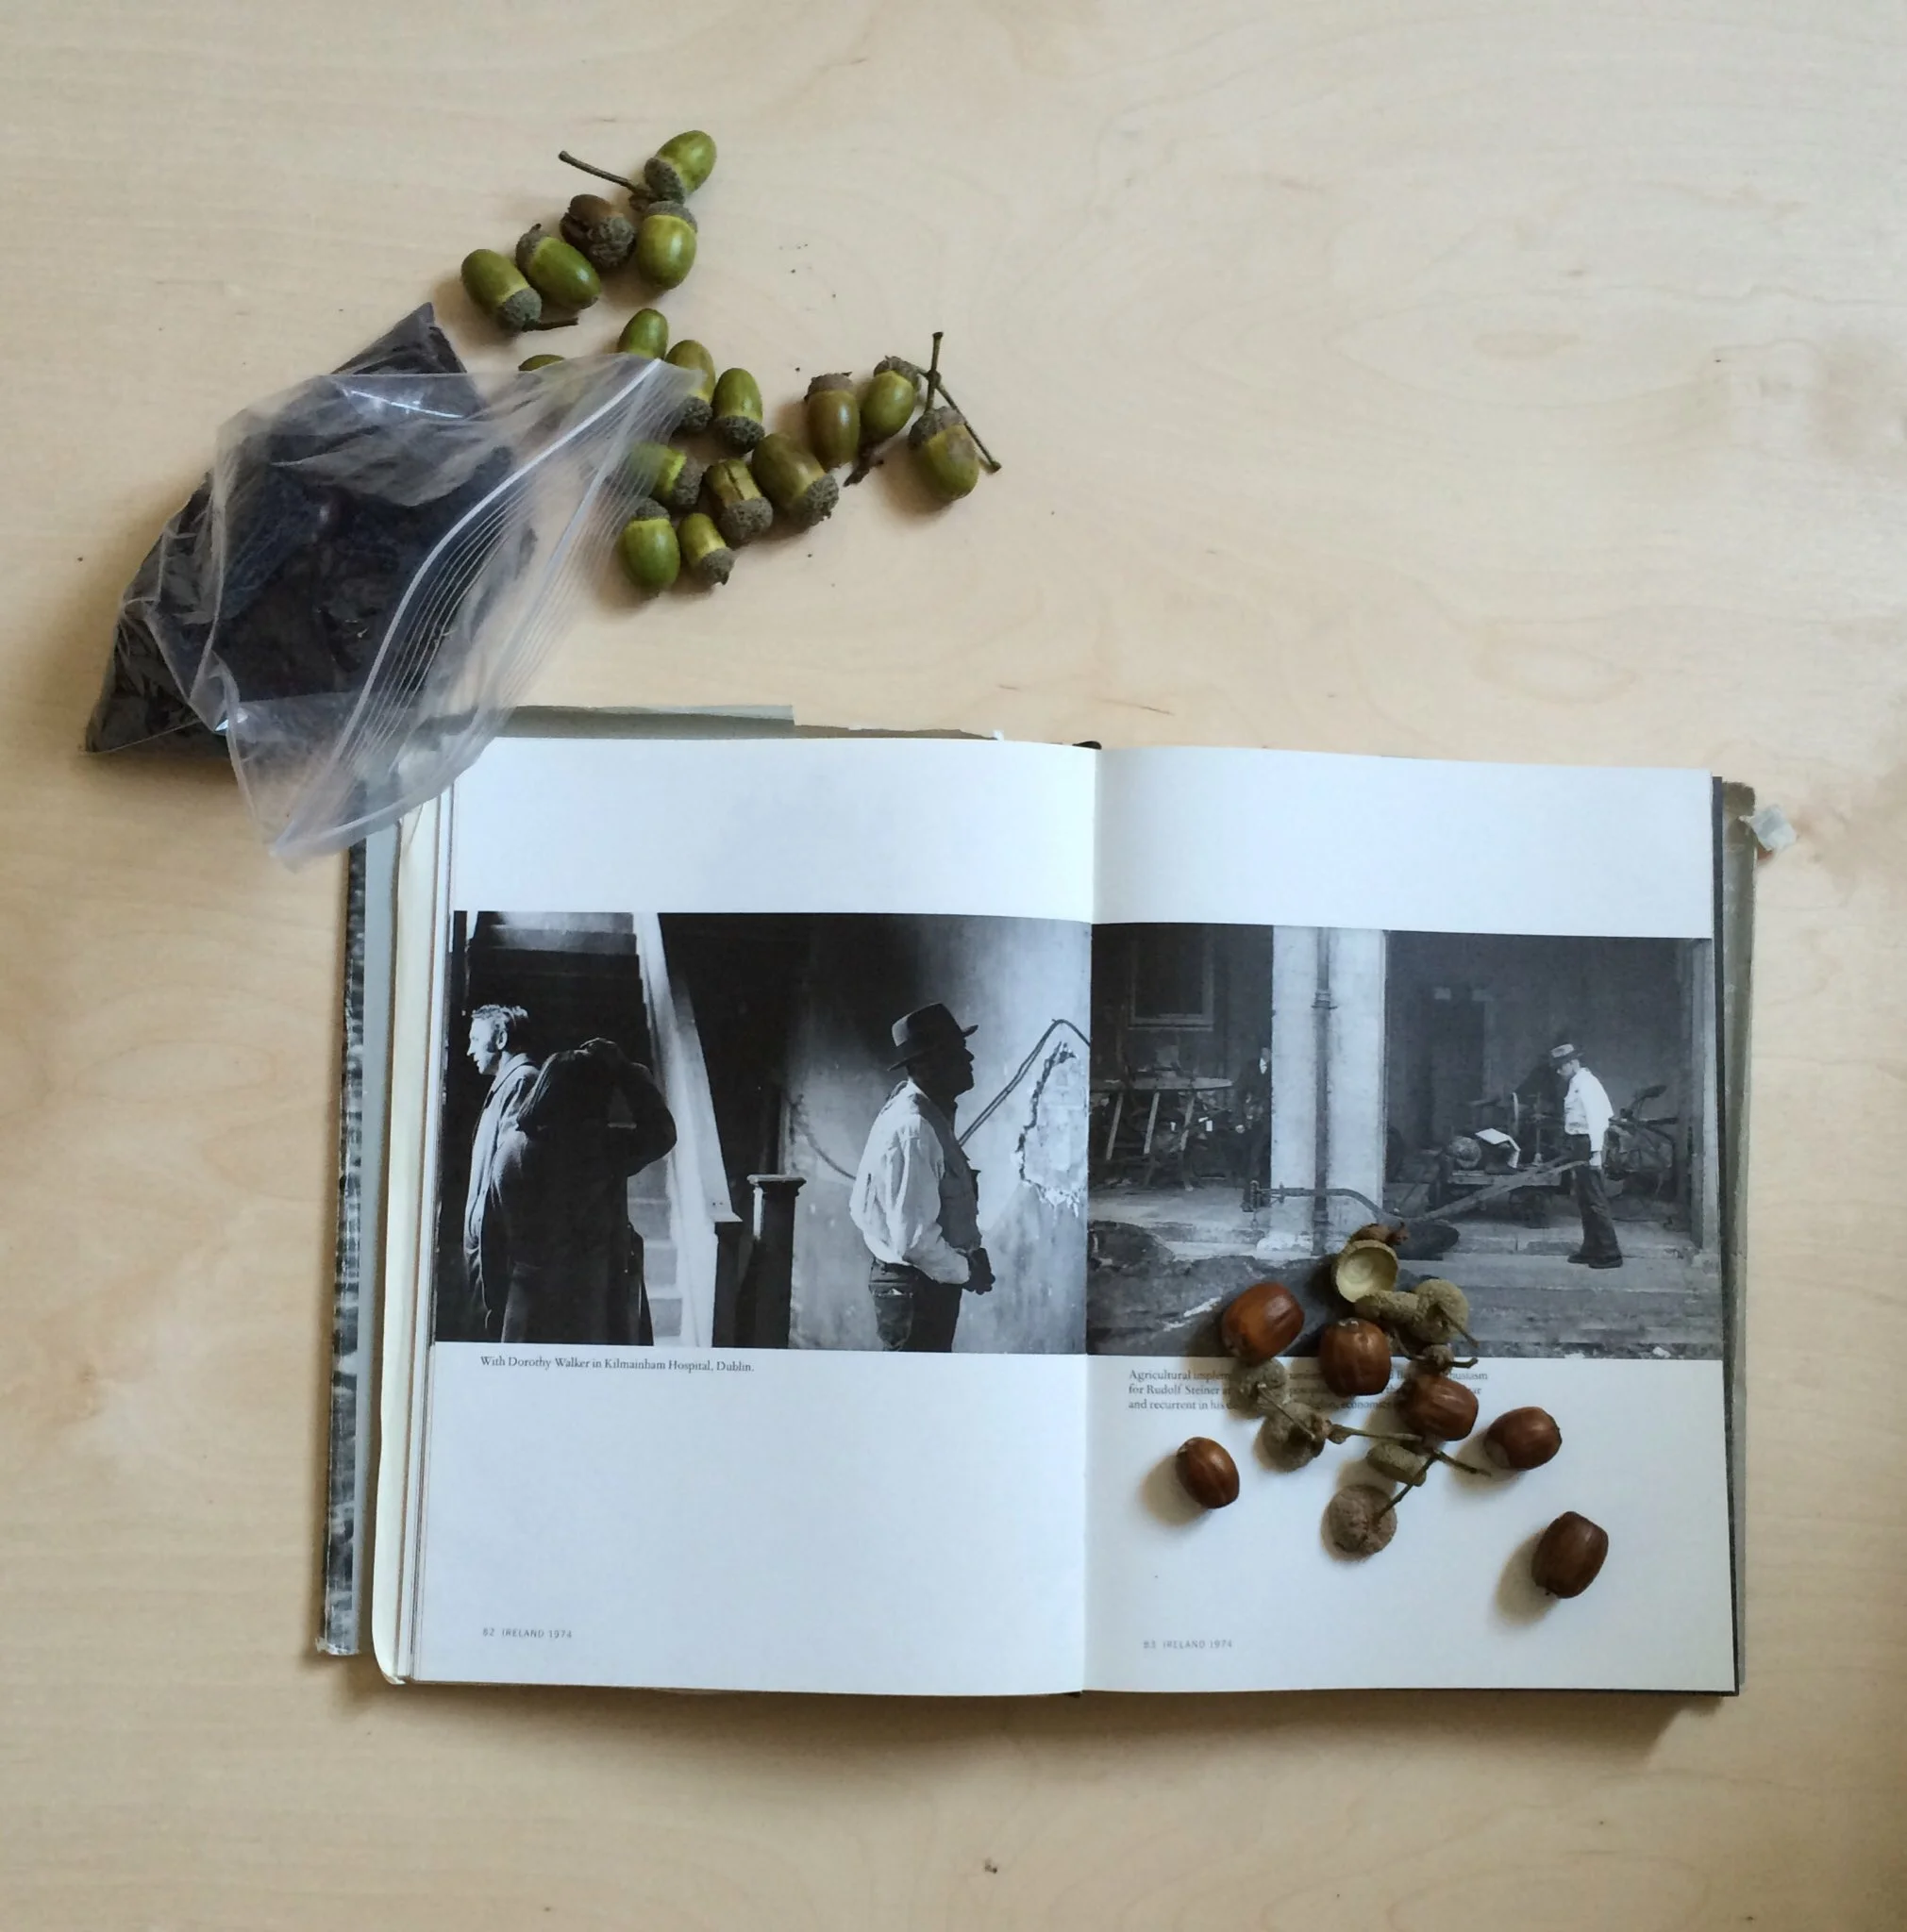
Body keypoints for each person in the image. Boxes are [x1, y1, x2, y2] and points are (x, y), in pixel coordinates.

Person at [493, 1039, 677, 1344]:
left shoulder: (509, 1149)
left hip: (524, 1301)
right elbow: (662, 1132)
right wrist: (627, 1071)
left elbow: (492, 1234)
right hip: (586, 1305)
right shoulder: (595, 1149)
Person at [849, 1003, 995, 1352]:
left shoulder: (924, 1114)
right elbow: (914, 1241)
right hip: (918, 1288)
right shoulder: (913, 1127)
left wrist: (970, 1254)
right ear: (927, 1065)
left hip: (923, 1282)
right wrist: (966, 1270)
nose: (969, 1058)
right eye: (957, 1050)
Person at [461, 1003, 537, 1339]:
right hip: (486, 1239)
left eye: (476, 1040)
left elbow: (510, 1171)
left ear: (502, 1039)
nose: (470, 1050)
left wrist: (483, 1228)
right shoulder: (509, 1083)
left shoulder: (521, 1080)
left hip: (496, 1245)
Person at [1551, 1041, 1621, 1270]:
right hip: (1579, 1143)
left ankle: (1610, 1253)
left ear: (1573, 1063)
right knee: (1584, 1201)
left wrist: (1595, 1154)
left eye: (1561, 1066)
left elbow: (1598, 1121)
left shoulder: (1588, 1084)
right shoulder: (1576, 1083)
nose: (1558, 1071)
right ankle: (1591, 1248)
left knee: (1595, 1200)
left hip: (1589, 1144)